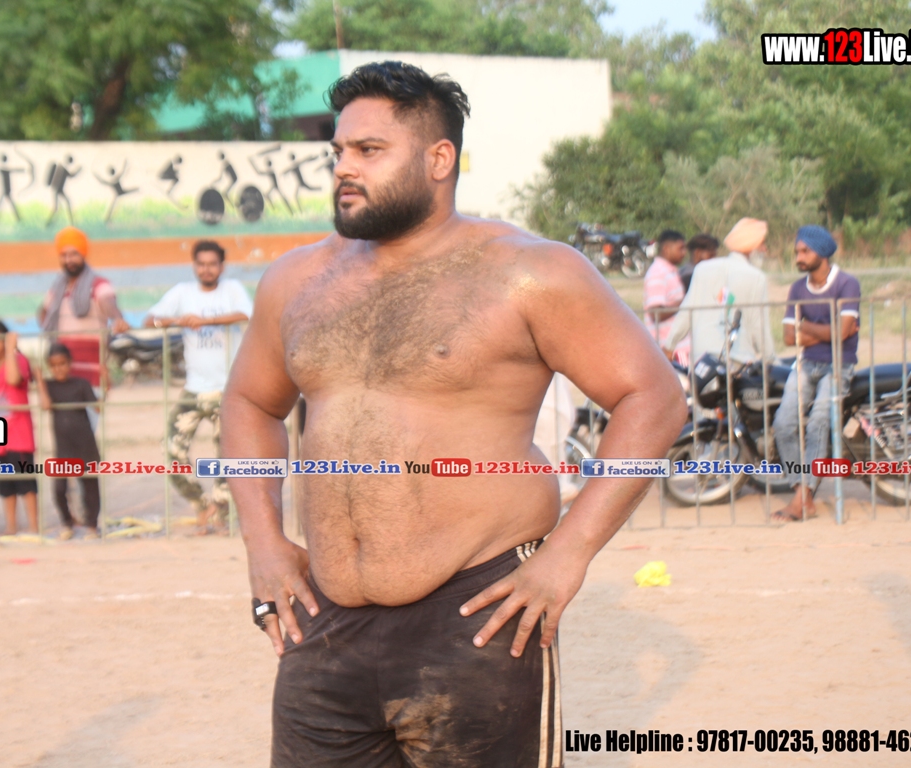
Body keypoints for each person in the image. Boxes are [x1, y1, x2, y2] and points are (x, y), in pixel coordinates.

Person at [220, 61, 685, 767]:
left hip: (476, 613)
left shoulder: (528, 271)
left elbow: (653, 397)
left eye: (369, 150)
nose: (344, 168)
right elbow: (251, 402)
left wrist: (568, 554)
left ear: (440, 159)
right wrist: (263, 542)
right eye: (338, 151)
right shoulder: (299, 279)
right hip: (328, 620)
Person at [144, 239, 252, 531]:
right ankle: (202, 504)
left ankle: (221, 513)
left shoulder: (232, 289)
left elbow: (246, 314)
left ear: (222, 266)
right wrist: (179, 320)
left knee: (227, 453)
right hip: (194, 388)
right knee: (171, 449)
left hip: (228, 388)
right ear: (194, 266)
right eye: (201, 264)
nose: (206, 269)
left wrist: (205, 320)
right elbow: (150, 320)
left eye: (212, 264)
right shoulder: (183, 292)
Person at [772, 225, 861, 523]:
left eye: (804, 251)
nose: (798, 256)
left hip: (838, 365)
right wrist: (831, 331)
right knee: (783, 423)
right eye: (797, 251)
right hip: (806, 363)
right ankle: (803, 494)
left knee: (818, 423)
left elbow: (843, 333)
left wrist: (805, 326)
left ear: (821, 252)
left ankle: (801, 500)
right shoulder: (797, 288)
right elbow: (789, 337)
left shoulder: (847, 283)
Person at [663, 218, 774, 365]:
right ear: (751, 247)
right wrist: (770, 359)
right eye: (762, 244)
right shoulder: (757, 277)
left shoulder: (703, 268)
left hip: (701, 360)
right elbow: (758, 325)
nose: (764, 249)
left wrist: (669, 346)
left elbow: (686, 312)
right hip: (738, 359)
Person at [37, 226, 130, 391]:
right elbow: (44, 312)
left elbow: (107, 302)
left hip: (92, 366)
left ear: (83, 254)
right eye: (64, 255)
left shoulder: (99, 284)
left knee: (92, 406)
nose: (69, 260)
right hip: (64, 370)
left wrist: (118, 319)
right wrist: (51, 331)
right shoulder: (58, 287)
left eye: (74, 254)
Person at [0, 320, 40, 536]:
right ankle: (11, 525)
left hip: (19, 434)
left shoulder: (18, 360)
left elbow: (13, 379)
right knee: (5, 485)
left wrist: (10, 350)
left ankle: (33, 525)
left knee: (26, 482)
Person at [38, 344, 101, 540]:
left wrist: (104, 381)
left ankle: (92, 525)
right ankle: (67, 523)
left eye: (62, 364)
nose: (58, 369)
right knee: (59, 488)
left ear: (70, 363)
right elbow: (45, 405)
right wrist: (39, 379)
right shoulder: (49, 386)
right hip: (63, 446)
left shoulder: (81, 384)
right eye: (53, 365)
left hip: (85, 443)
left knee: (90, 486)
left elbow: (97, 408)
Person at [643, 229, 690, 364]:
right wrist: (686, 302)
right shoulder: (657, 273)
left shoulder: (670, 271)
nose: (684, 253)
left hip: (678, 347)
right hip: (669, 350)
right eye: (680, 248)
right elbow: (655, 313)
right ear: (666, 249)